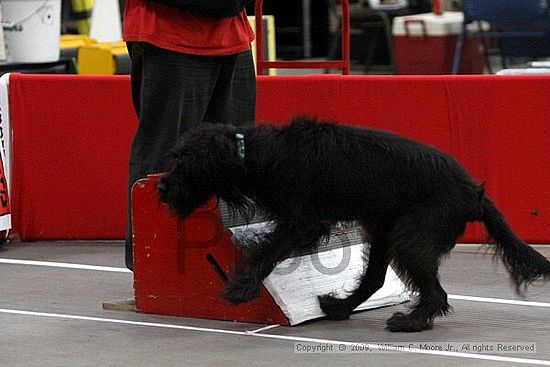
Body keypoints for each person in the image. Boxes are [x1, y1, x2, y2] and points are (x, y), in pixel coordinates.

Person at [122, 0, 257, 270]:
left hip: (232, 36)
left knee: (234, 158)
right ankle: (153, 265)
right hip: (169, 37)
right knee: (164, 157)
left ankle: (216, 265)